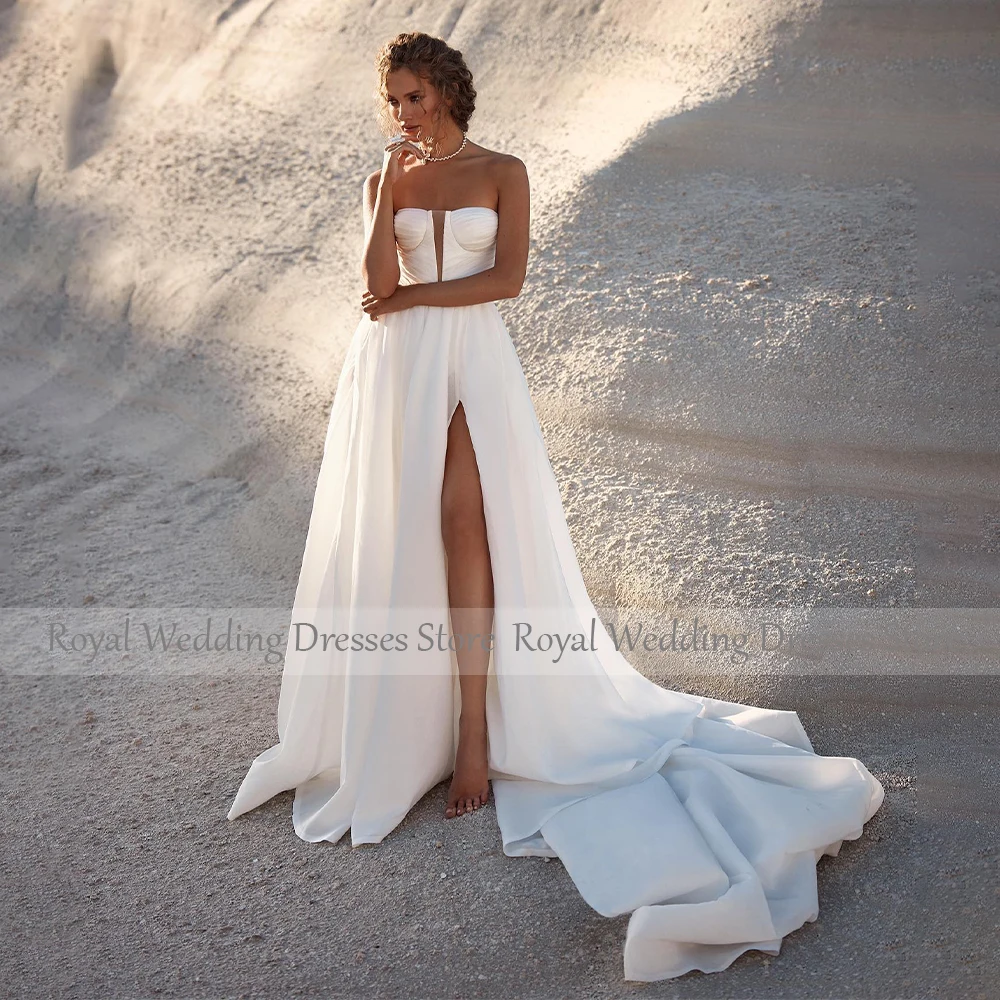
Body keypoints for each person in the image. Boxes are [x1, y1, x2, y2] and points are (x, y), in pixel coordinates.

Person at [227, 31, 885, 982]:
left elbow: (508, 280)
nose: (404, 115)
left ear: (448, 90)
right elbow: (373, 288)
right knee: (399, 542)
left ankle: (480, 735)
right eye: (394, 102)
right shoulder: (388, 180)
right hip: (396, 374)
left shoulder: (506, 169)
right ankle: (419, 729)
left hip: (470, 359)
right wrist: (383, 194)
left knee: (472, 527)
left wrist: (416, 302)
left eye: (415, 97)